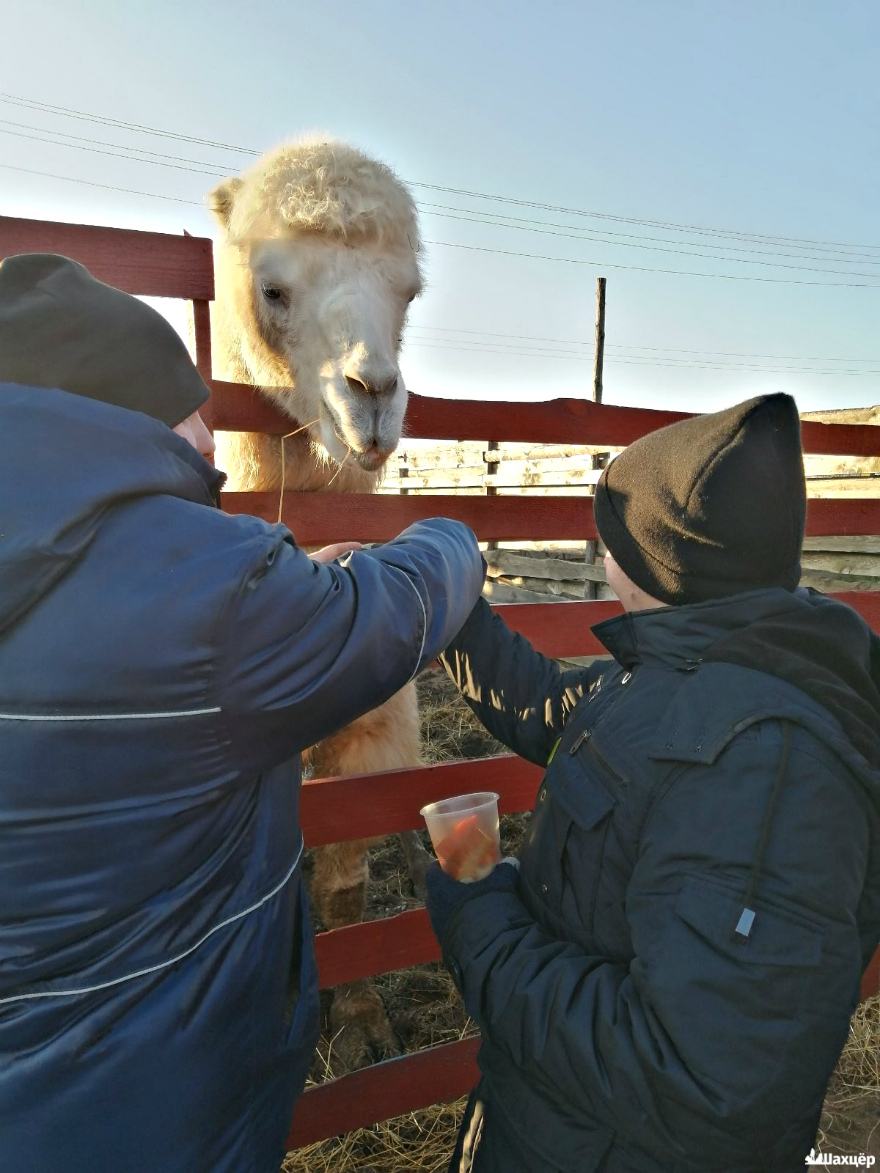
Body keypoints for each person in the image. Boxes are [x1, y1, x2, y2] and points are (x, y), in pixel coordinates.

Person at [0, 253, 487, 1173]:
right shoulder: (209, 590)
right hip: (156, 1101)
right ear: (129, 418)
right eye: (197, 414)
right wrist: (450, 533)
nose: (215, 441)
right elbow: (392, 611)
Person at [425, 394, 880, 1172]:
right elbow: (545, 703)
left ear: (662, 564)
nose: (604, 557)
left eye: (613, 539)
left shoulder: (768, 768)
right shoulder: (682, 671)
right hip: (557, 1129)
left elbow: (700, 1083)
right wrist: (444, 597)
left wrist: (482, 929)